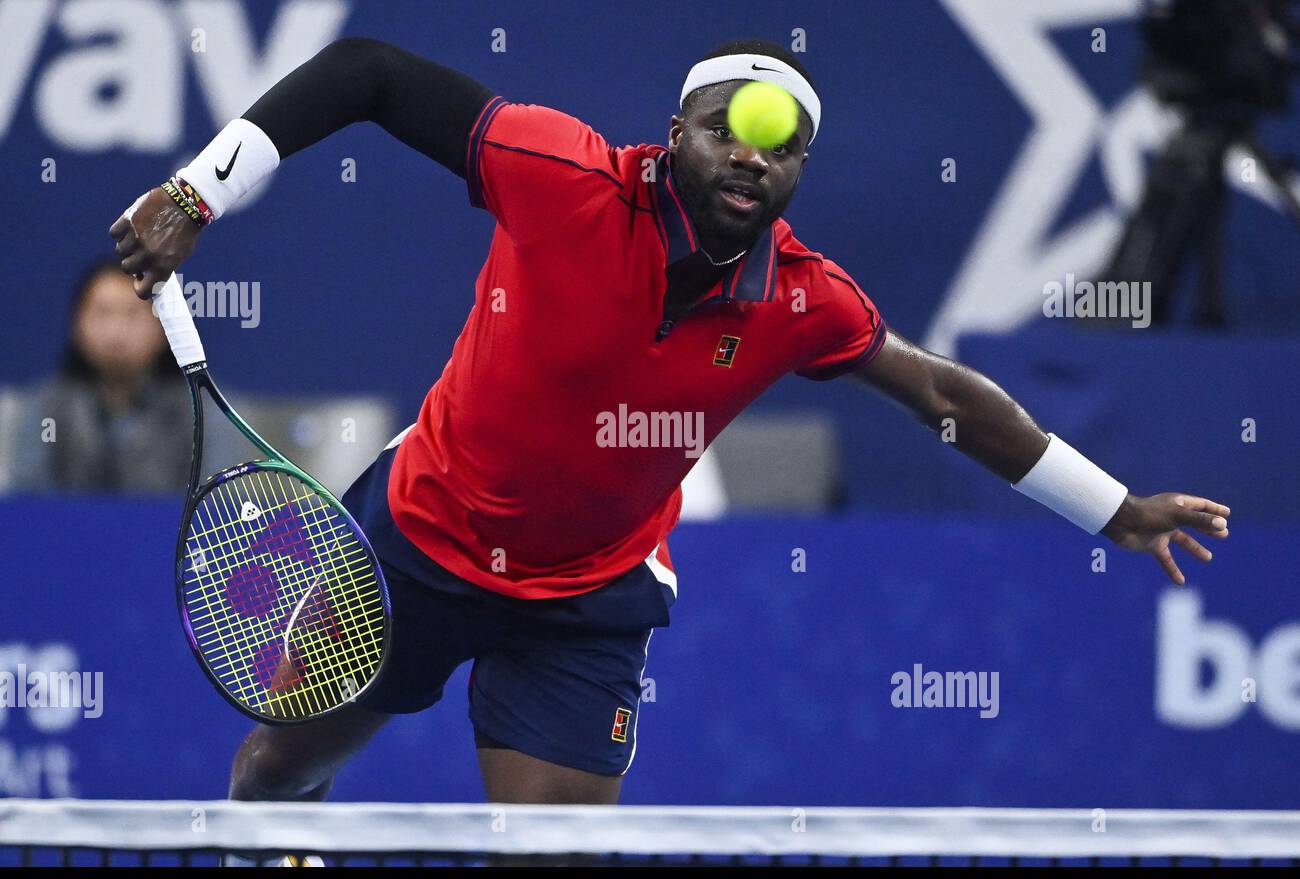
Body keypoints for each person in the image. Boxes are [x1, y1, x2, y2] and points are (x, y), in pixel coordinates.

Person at [108, 37, 1231, 811]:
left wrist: (1114, 508)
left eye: (783, 145)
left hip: (587, 599)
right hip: (422, 533)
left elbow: (944, 396)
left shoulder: (804, 298)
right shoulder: (555, 172)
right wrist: (197, 192)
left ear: (798, 171)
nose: (752, 154)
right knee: (271, 775)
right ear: (675, 132)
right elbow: (367, 75)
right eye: (728, 130)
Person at [13, 260, 190, 492]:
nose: (116, 333)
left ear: (163, 327)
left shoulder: (200, 412)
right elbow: (32, 499)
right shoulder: (47, 412)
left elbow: (216, 502)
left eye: (132, 314)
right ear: (77, 325)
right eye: (102, 313)